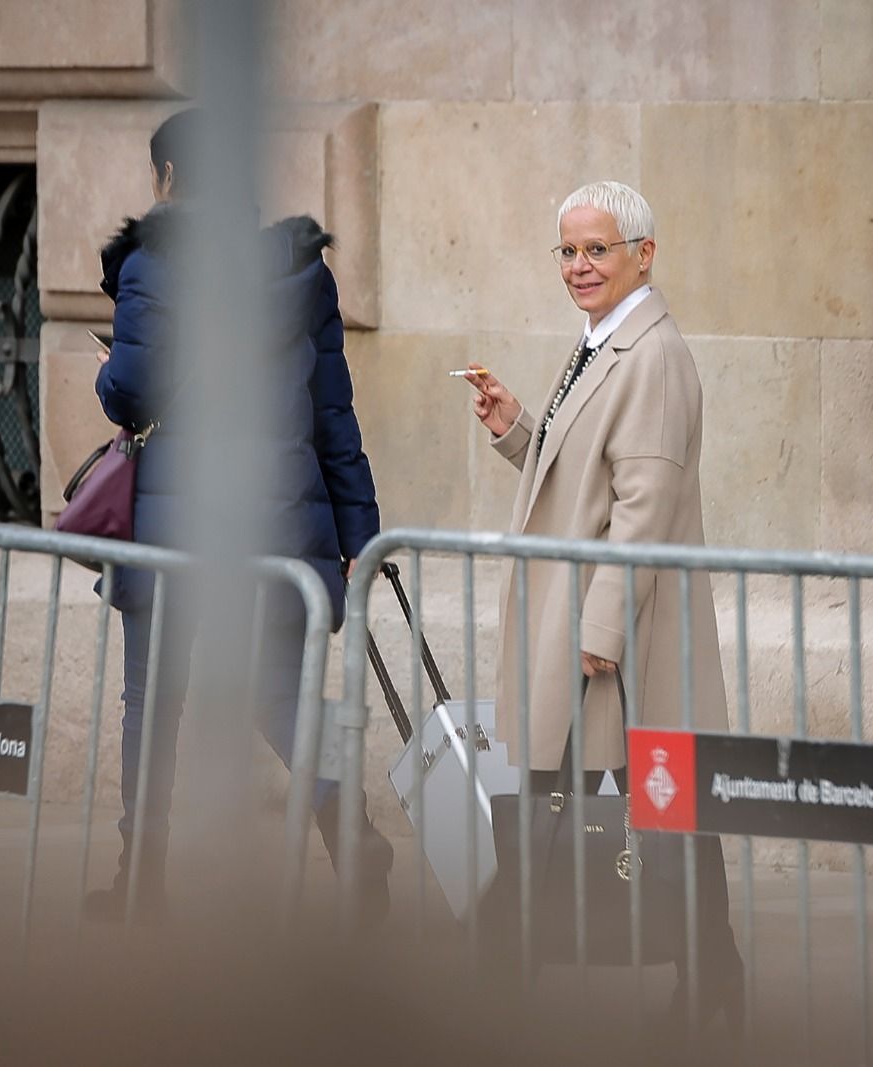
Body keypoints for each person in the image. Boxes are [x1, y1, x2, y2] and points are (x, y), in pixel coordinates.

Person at [84, 108, 393, 924]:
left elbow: (131, 388)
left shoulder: (156, 265)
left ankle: (140, 878)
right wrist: (360, 532)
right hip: (279, 532)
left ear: (173, 180)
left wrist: (105, 379)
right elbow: (334, 415)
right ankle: (354, 840)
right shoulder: (302, 272)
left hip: (175, 534)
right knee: (283, 700)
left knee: (152, 703)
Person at [462, 180, 743, 1029]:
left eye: (598, 249)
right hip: (593, 629)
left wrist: (602, 630)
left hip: (613, 638)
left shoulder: (648, 352)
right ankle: (708, 980)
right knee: (640, 809)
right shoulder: (603, 340)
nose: (580, 266)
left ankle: (510, 982)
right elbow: (588, 478)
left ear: (643, 254)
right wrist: (518, 429)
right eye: (569, 250)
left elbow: (643, 505)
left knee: (608, 806)